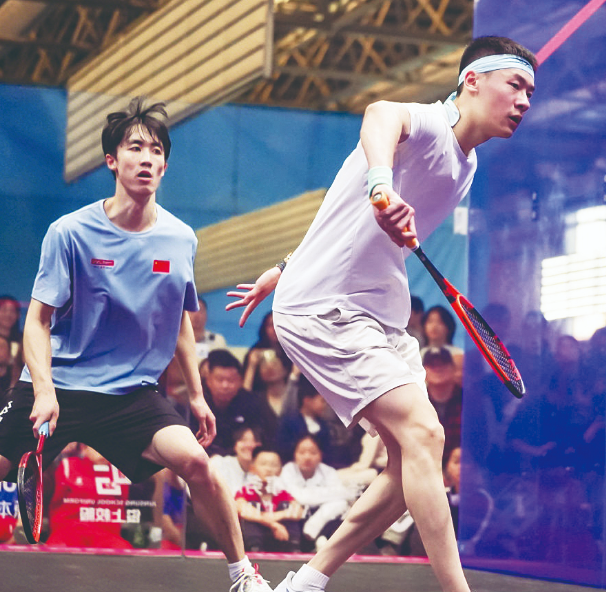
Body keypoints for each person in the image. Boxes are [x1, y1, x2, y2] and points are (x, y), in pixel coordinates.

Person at [227, 36, 536, 592]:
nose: (524, 101)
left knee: (411, 460)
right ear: (472, 81)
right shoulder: (429, 124)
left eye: (530, 92)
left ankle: (305, 583)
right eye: (515, 84)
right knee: (424, 433)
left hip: (377, 312)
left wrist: (284, 264)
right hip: (324, 307)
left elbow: (343, 219)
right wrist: (381, 188)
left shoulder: (466, 166)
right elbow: (379, 114)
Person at [0, 98, 272, 592]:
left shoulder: (181, 239)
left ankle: (244, 575)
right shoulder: (69, 232)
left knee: (199, 464)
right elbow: (37, 321)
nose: (146, 158)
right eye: (135, 147)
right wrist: (44, 390)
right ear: (112, 160)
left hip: (130, 396)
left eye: (156, 150)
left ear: (165, 165)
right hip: (59, 387)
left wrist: (197, 395)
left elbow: (178, 319)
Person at [279, 435, 352, 551]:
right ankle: (317, 539)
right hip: (299, 517)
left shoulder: (329, 471)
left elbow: (344, 494)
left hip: (324, 521)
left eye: (313, 453)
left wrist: (310, 495)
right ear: (295, 454)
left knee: (341, 504)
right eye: (302, 452)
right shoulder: (288, 470)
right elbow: (299, 498)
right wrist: (325, 495)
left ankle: (315, 532)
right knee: (337, 502)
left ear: (320, 455)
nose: (307, 457)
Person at [200, 349, 276, 456]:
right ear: (209, 381)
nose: (225, 385)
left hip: (242, 459)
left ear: (240, 381)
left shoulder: (252, 403)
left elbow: (264, 437)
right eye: (219, 380)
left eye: (231, 380)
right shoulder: (199, 404)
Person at [235, 446, 305, 552]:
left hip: (280, 537)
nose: (268, 469)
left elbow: (298, 511)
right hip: (251, 541)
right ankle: (255, 550)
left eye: (273, 465)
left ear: (280, 471)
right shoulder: (245, 491)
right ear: (252, 468)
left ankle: (294, 550)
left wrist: (276, 516)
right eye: (263, 464)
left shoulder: (282, 493)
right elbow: (243, 511)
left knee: (286, 506)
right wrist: (273, 524)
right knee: (251, 508)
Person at [193, 297, 229, 362]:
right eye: (192, 311)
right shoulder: (177, 341)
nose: (196, 315)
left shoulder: (217, 340)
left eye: (200, 310)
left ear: (206, 315)